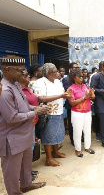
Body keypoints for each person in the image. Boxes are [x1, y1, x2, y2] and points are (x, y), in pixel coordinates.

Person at [0, 56, 49, 194]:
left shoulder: (15, 84)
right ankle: (14, 192)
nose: (23, 74)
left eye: (24, 70)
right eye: (20, 71)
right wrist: (35, 112)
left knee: (26, 164)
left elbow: (23, 105)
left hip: (24, 134)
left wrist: (35, 108)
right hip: (12, 138)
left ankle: (26, 184)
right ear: (7, 69)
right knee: (12, 171)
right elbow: (11, 117)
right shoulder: (4, 91)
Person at [33, 63, 72, 166]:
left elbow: (63, 93)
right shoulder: (40, 82)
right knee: (48, 136)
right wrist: (61, 95)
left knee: (57, 133)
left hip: (59, 111)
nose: (58, 73)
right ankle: (48, 159)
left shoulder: (58, 82)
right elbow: (41, 98)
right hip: (48, 113)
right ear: (50, 73)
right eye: (56, 71)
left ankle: (55, 152)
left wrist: (67, 94)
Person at [68, 68, 96, 157]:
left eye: (82, 76)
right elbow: (72, 103)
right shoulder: (70, 89)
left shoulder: (85, 86)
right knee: (77, 132)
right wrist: (85, 97)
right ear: (73, 77)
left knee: (88, 130)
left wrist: (92, 94)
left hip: (87, 111)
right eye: (79, 76)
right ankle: (78, 149)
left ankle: (87, 147)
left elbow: (93, 97)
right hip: (77, 113)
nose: (81, 78)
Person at [19, 69, 40, 181]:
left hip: (32, 121)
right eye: (26, 75)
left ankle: (27, 172)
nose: (29, 77)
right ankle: (22, 175)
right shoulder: (18, 91)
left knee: (30, 147)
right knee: (24, 149)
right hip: (24, 123)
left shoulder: (28, 88)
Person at [62, 62, 80, 145]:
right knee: (72, 122)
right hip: (71, 104)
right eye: (74, 67)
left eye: (77, 67)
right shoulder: (66, 79)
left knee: (79, 122)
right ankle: (73, 139)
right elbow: (69, 91)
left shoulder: (80, 77)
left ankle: (80, 137)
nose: (76, 69)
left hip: (80, 104)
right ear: (70, 69)